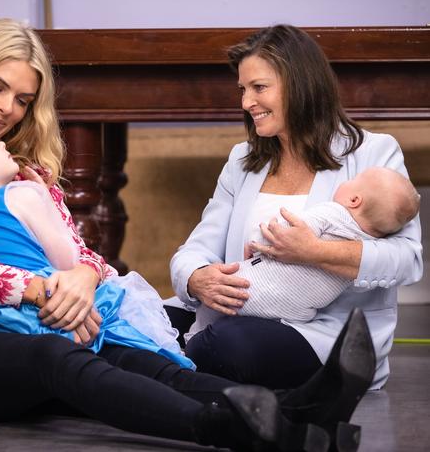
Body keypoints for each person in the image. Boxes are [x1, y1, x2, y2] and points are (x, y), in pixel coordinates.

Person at [0, 18, 376, 451]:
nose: (6, 109)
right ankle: (227, 428)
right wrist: (40, 288)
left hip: (28, 323)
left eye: (22, 99)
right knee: (56, 357)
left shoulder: (21, 174)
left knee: (142, 359)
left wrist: (83, 278)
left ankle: (302, 411)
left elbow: (86, 256)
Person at [170, 24, 423, 391]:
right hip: (236, 310)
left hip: (322, 333)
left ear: (301, 84)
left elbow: (407, 259)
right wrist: (195, 278)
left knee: (227, 346)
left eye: (259, 88)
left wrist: (315, 252)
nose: (246, 103)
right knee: (121, 322)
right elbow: (196, 247)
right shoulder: (243, 160)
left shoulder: (373, 153)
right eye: (242, 89)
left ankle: (158, 371)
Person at [0, 118, 193, 369]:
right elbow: (67, 260)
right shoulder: (21, 195)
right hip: (54, 309)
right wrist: (45, 198)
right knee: (140, 337)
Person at [188, 167, 420, 334]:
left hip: (252, 292)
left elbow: (283, 230)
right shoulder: (369, 238)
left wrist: (256, 242)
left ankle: (192, 339)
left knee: (211, 313)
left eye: (353, 180)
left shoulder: (333, 213)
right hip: (299, 314)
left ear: (354, 199)